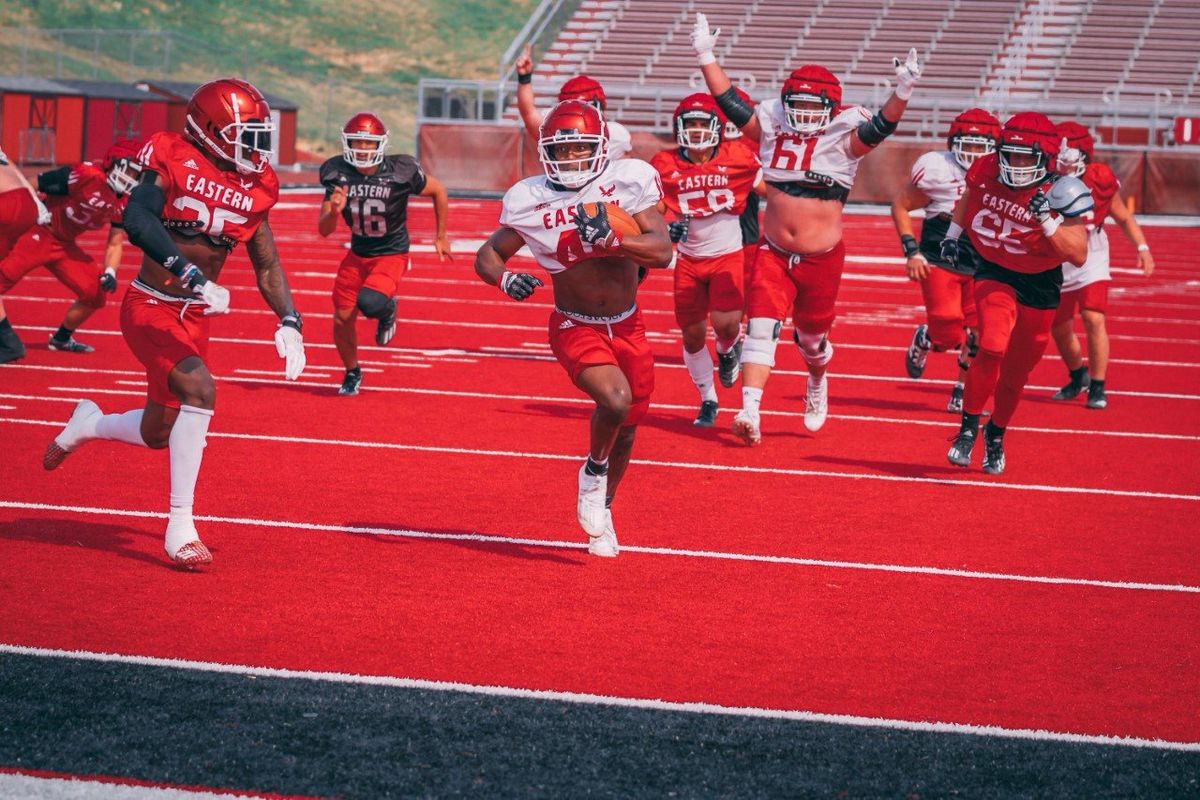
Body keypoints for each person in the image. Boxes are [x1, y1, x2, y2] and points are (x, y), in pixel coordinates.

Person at [42, 77, 307, 568]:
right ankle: (180, 526)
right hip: (149, 304)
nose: (256, 146)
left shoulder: (255, 186)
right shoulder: (171, 154)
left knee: (156, 433)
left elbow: (266, 262)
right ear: (209, 129)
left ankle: (88, 425)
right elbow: (139, 221)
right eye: (244, 133)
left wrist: (290, 318)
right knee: (201, 392)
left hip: (196, 316)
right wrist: (187, 272)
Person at [691, 11, 922, 444]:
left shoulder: (843, 140)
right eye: (795, 105)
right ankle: (750, 412)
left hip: (821, 259)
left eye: (812, 107)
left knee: (812, 341)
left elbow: (882, 126)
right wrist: (705, 54)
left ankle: (816, 380)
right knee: (759, 327)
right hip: (774, 251)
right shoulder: (770, 131)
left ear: (830, 109)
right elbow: (728, 101)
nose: (802, 114)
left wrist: (903, 88)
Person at [474, 100, 671, 557]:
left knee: (626, 426)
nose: (571, 160)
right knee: (614, 399)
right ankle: (593, 472)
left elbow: (662, 252)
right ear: (547, 153)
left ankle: (605, 510)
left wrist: (615, 239)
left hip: (628, 324)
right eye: (562, 152)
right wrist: (505, 278)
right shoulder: (529, 198)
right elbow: (487, 255)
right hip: (574, 323)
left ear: (600, 148)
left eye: (580, 149)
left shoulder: (628, 179)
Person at [942, 112, 1092, 474]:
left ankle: (995, 435)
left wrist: (1048, 219)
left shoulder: (1062, 190)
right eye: (1011, 154)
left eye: (1027, 157)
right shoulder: (985, 169)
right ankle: (967, 430)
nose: (1017, 164)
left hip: (1039, 283)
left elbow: (1077, 253)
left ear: (1047, 157)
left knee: (1015, 374)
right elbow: (970, 198)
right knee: (991, 345)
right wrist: (952, 235)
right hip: (995, 269)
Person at [649, 92, 763, 426]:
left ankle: (728, 351)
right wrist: (663, 226)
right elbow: (652, 208)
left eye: (703, 123)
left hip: (727, 255)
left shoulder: (738, 156)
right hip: (688, 259)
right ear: (678, 127)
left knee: (728, 325)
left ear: (716, 127)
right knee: (693, 334)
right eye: (691, 124)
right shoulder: (665, 164)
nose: (697, 130)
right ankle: (708, 399)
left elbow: (773, 189)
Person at [318, 112, 451, 395]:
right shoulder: (337, 173)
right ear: (347, 143)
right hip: (357, 254)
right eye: (357, 142)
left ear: (381, 144)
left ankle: (388, 309)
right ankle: (352, 371)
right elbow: (325, 230)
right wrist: (334, 211)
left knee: (371, 303)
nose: (363, 149)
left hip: (392, 253)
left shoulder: (400, 170)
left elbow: (438, 190)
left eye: (369, 143)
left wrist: (440, 236)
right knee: (342, 318)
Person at [891, 108, 1000, 412]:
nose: (974, 152)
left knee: (981, 334)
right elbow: (900, 205)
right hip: (941, 258)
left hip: (983, 263)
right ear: (954, 142)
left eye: (981, 146)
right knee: (948, 330)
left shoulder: (1003, 174)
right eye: (968, 144)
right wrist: (910, 250)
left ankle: (961, 389)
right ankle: (927, 338)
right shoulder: (938, 169)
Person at [0, 140, 142, 356]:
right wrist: (34, 208)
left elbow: (115, 240)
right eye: (130, 171)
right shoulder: (86, 175)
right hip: (39, 232)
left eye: (136, 175)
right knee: (2, 277)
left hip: (65, 245)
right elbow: (33, 183)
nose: (131, 179)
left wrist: (110, 271)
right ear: (113, 162)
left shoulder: (124, 202)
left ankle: (61, 339)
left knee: (94, 294)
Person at [1049, 120, 1154, 410]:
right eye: (1060, 158)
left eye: (1070, 159)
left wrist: (1142, 247)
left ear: (1085, 157)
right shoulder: (1041, 177)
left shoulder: (1098, 179)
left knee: (1094, 318)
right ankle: (1077, 375)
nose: (1064, 165)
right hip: (1058, 259)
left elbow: (1122, 216)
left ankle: (1097, 385)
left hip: (1091, 255)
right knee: (1058, 328)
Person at [513, 43, 633, 159]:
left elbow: (623, 172)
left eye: (580, 148)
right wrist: (524, 78)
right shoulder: (555, 129)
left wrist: (525, 79)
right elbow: (528, 113)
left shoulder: (615, 135)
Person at [0, 146, 51, 363]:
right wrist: (37, 204)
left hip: (7, 203)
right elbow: (13, 169)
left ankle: (9, 342)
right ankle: (8, 341)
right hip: (25, 204)